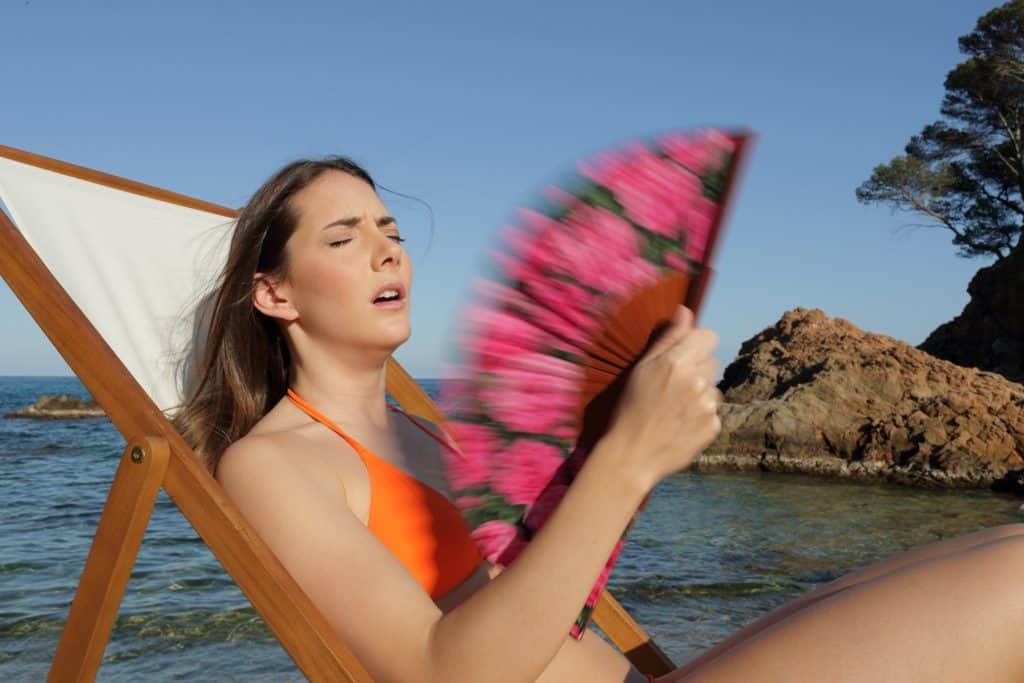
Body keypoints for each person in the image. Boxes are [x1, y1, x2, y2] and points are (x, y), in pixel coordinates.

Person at [174, 156, 1024, 682]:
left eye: (389, 228)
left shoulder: (434, 435)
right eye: (343, 237)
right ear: (273, 292)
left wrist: (611, 442)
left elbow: (552, 603)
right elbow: (442, 673)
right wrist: (623, 463)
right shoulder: (273, 463)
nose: (388, 248)